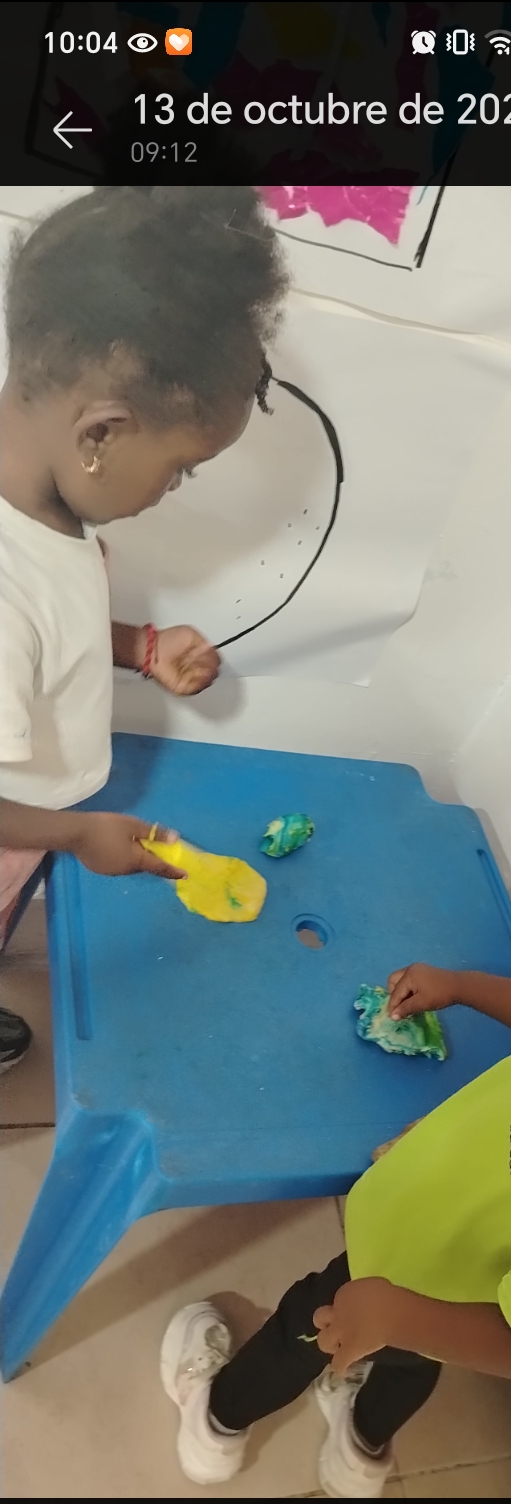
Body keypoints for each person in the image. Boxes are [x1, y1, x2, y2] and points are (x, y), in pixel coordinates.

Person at [162, 856, 511, 1496]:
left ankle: (216, 1423)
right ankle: (361, 1451)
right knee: (411, 1363)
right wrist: (460, 986)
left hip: (408, 1278)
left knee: (309, 1327)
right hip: (436, 1264)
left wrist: (396, 1313)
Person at [0, 185, 287, 1066]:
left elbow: (51, 626)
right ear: (102, 434)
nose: (172, 491)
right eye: (181, 469)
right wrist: (78, 836)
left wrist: (136, 648)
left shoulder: (40, 511)